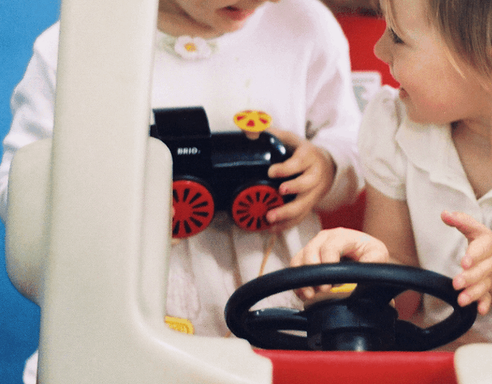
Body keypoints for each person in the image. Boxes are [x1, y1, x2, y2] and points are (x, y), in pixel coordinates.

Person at [2, 0, 363, 381]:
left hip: (274, 323)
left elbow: (350, 138)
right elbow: (19, 182)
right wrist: (103, 206)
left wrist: (328, 164)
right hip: (122, 325)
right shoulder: (75, 45)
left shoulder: (305, 26)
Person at [291, 0, 492, 347]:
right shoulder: (394, 126)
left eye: (398, 38)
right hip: (437, 362)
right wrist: (365, 266)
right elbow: (403, 296)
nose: (379, 48)